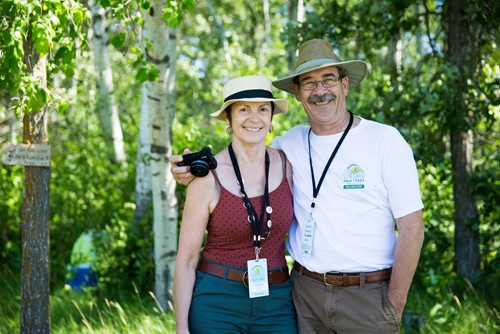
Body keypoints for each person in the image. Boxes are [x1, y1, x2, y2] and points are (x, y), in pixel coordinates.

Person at [172, 39, 424, 333]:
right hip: (304, 296)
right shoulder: (289, 145)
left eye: (328, 79)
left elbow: (412, 227)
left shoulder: (384, 141)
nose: (320, 91)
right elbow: (244, 154)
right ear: (298, 92)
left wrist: (394, 304)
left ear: (344, 84)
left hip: (365, 296)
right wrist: (192, 168)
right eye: (309, 83)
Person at [173, 75, 297, 334]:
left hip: (277, 303)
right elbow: (186, 260)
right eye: (244, 109)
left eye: (263, 109)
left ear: (271, 118)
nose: (255, 118)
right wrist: (181, 328)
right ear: (228, 119)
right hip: (217, 303)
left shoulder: (287, 166)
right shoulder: (207, 178)